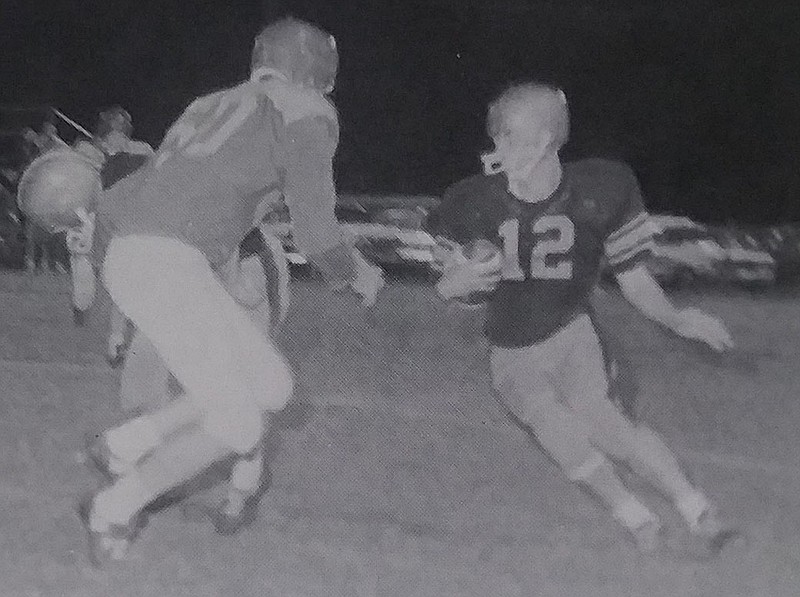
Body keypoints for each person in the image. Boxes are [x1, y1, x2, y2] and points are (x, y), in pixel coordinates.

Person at [77, 17, 384, 566]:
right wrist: (354, 272)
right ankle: (114, 506)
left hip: (150, 255)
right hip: (168, 261)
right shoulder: (306, 111)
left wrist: (107, 264)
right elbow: (316, 232)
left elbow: (128, 195)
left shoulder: (208, 104)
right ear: (317, 73)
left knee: (272, 385)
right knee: (237, 422)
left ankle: (128, 441)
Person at [426, 82, 737, 555]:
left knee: (608, 426)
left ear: (548, 138)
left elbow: (632, 277)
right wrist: (454, 285)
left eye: (512, 137)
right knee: (558, 432)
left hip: (572, 333)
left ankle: (696, 508)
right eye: (498, 137)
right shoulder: (471, 200)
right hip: (510, 349)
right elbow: (447, 282)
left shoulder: (601, 187)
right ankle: (635, 518)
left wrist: (675, 319)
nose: (500, 149)